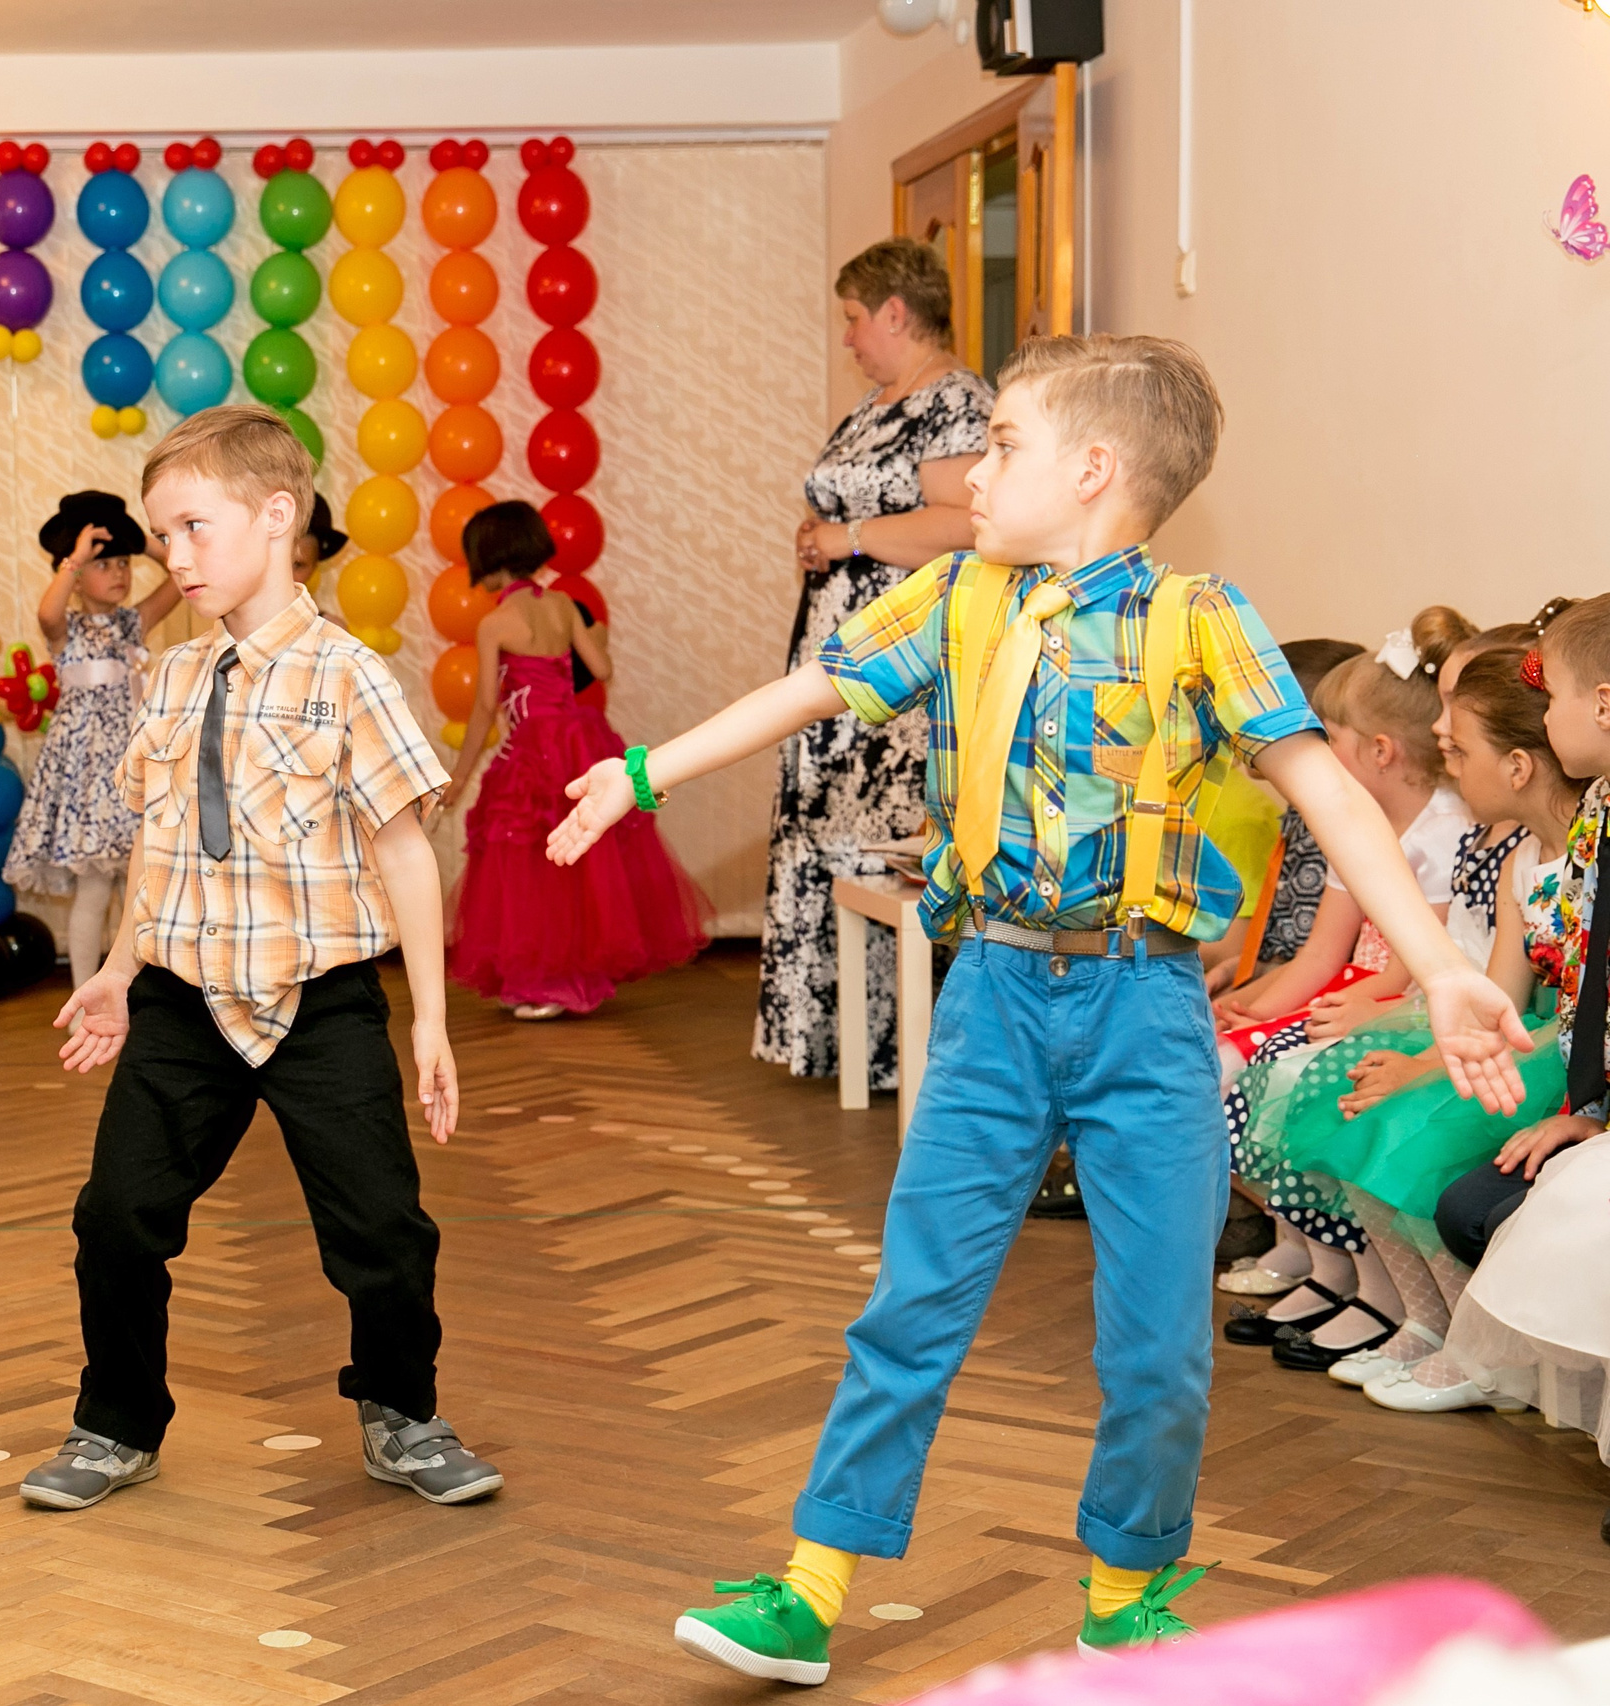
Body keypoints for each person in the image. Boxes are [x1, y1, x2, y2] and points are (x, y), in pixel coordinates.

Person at [545, 335, 1534, 1682]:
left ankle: (1128, 1590)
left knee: (1158, 1339)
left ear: (1093, 467)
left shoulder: (1200, 618)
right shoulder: (954, 595)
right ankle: (813, 1581)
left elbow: (1329, 791)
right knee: (914, 1300)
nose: (978, 465)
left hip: (1148, 1013)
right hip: (998, 997)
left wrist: (1439, 964)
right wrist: (642, 771)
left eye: (1003, 443)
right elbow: (813, 688)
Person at [21, 405, 500, 1513]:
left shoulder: (350, 675)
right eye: (161, 537)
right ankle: (114, 1419)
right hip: (182, 1003)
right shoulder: (172, 678)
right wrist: (118, 967)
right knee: (115, 1218)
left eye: (192, 527)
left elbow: (406, 855)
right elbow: (160, 845)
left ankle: (402, 1409)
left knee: (382, 1227)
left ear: (276, 515)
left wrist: (427, 1018)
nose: (172, 558)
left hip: (320, 1003)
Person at [1253, 645, 1577, 1402]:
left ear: (1520, 767)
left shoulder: (1578, 863)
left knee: (1412, 1141)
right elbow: (1495, 994)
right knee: (1362, 1119)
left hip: (1555, 1050)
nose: (1447, 766)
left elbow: (1553, 1019)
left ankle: (1478, 1347)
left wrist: (1428, 1073)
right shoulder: (1522, 861)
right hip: (1513, 1036)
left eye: (1458, 752)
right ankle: (1428, 1323)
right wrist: (1425, 1062)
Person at [760, 237, 993, 1094]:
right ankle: (843, 1041)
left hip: (901, 674)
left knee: (880, 845)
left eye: (856, 320)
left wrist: (846, 538)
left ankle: (903, 1050)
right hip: (845, 643)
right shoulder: (878, 402)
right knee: (827, 833)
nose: (850, 338)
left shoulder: (956, 403)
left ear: (897, 312)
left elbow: (965, 522)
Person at [1211, 624, 1480, 1365]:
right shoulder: (1356, 828)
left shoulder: (1443, 833)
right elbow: (1320, 953)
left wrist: (1361, 1008)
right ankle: (1320, 1260)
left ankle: (1360, 1279)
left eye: (1324, 739)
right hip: (1351, 989)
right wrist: (1247, 1006)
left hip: (1388, 998)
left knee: (1281, 1083)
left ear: (1379, 751)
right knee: (1219, 1060)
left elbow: (1411, 962)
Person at [1405, 596, 1610, 1430]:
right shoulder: (1597, 809)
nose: (1547, 711)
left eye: (1551, 693)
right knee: (1475, 1207)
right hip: (1594, 1091)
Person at [439, 499, 710, 1019]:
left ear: (489, 559)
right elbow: (601, 669)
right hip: (581, 742)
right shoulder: (563, 606)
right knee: (581, 860)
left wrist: (459, 775)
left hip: (533, 751)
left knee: (535, 864)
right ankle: (567, 976)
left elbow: (484, 709)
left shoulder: (496, 624)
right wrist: (598, 637)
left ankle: (547, 981)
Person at [2, 490, 180, 988]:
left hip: (135, 770)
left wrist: (141, 541)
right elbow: (46, 614)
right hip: (88, 782)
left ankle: (138, 996)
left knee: (139, 892)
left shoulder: (134, 621)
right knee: (96, 892)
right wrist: (75, 559)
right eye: (106, 566)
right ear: (77, 576)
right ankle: (85, 997)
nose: (120, 573)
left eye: (124, 564)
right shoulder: (68, 630)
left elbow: (181, 577)